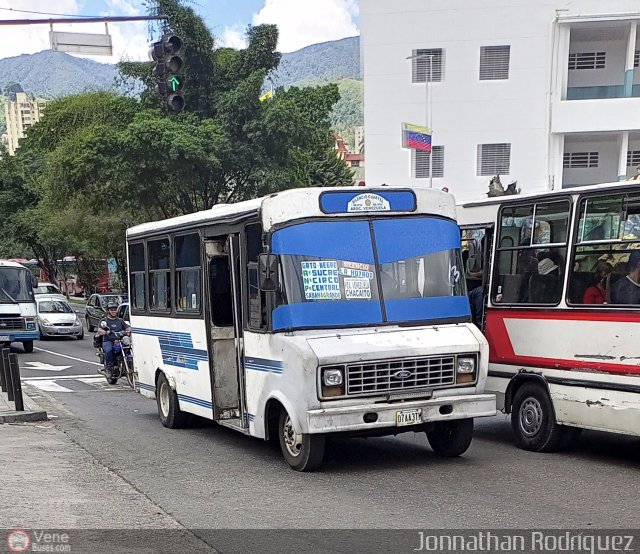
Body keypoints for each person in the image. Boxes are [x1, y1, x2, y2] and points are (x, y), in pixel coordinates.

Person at [97, 301, 131, 375]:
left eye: (115, 309)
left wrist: (128, 330)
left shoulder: (120, 320)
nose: (113, 311)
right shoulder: (104, 321)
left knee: (128, 348)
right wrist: (104, 332)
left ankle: (128, 364)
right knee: (109, 350)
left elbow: (127, 328)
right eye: (111, 310)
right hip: (108, 340)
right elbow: (99, 330)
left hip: (120, 340)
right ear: (108, 311)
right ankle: (108, 368)